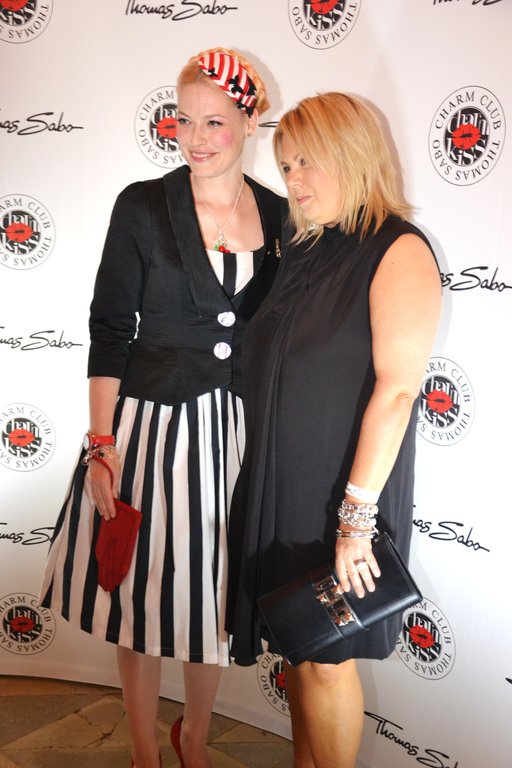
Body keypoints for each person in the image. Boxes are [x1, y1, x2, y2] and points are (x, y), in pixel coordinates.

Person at [40, 47, 285, 768]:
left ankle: (194, 739)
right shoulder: (143, 206)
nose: (196, 138)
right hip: (151, 432)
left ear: (250, 121)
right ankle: (145, 750)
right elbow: (111, 330)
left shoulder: (279, 214)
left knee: (214, 598)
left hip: (234, 438)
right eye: (184, 120)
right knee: (142, 602)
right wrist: (101, 443)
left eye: (215, 121)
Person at [226, 92, 442, 768]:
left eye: (307, 162)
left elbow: (398, 390)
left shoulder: (398, 249)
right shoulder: (302, 250)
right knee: (300, 645)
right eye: (286, 165)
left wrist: (355, 518)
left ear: (352, 155)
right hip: (283, 486)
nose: (293, 180)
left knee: (327, 657)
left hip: (346, 494)